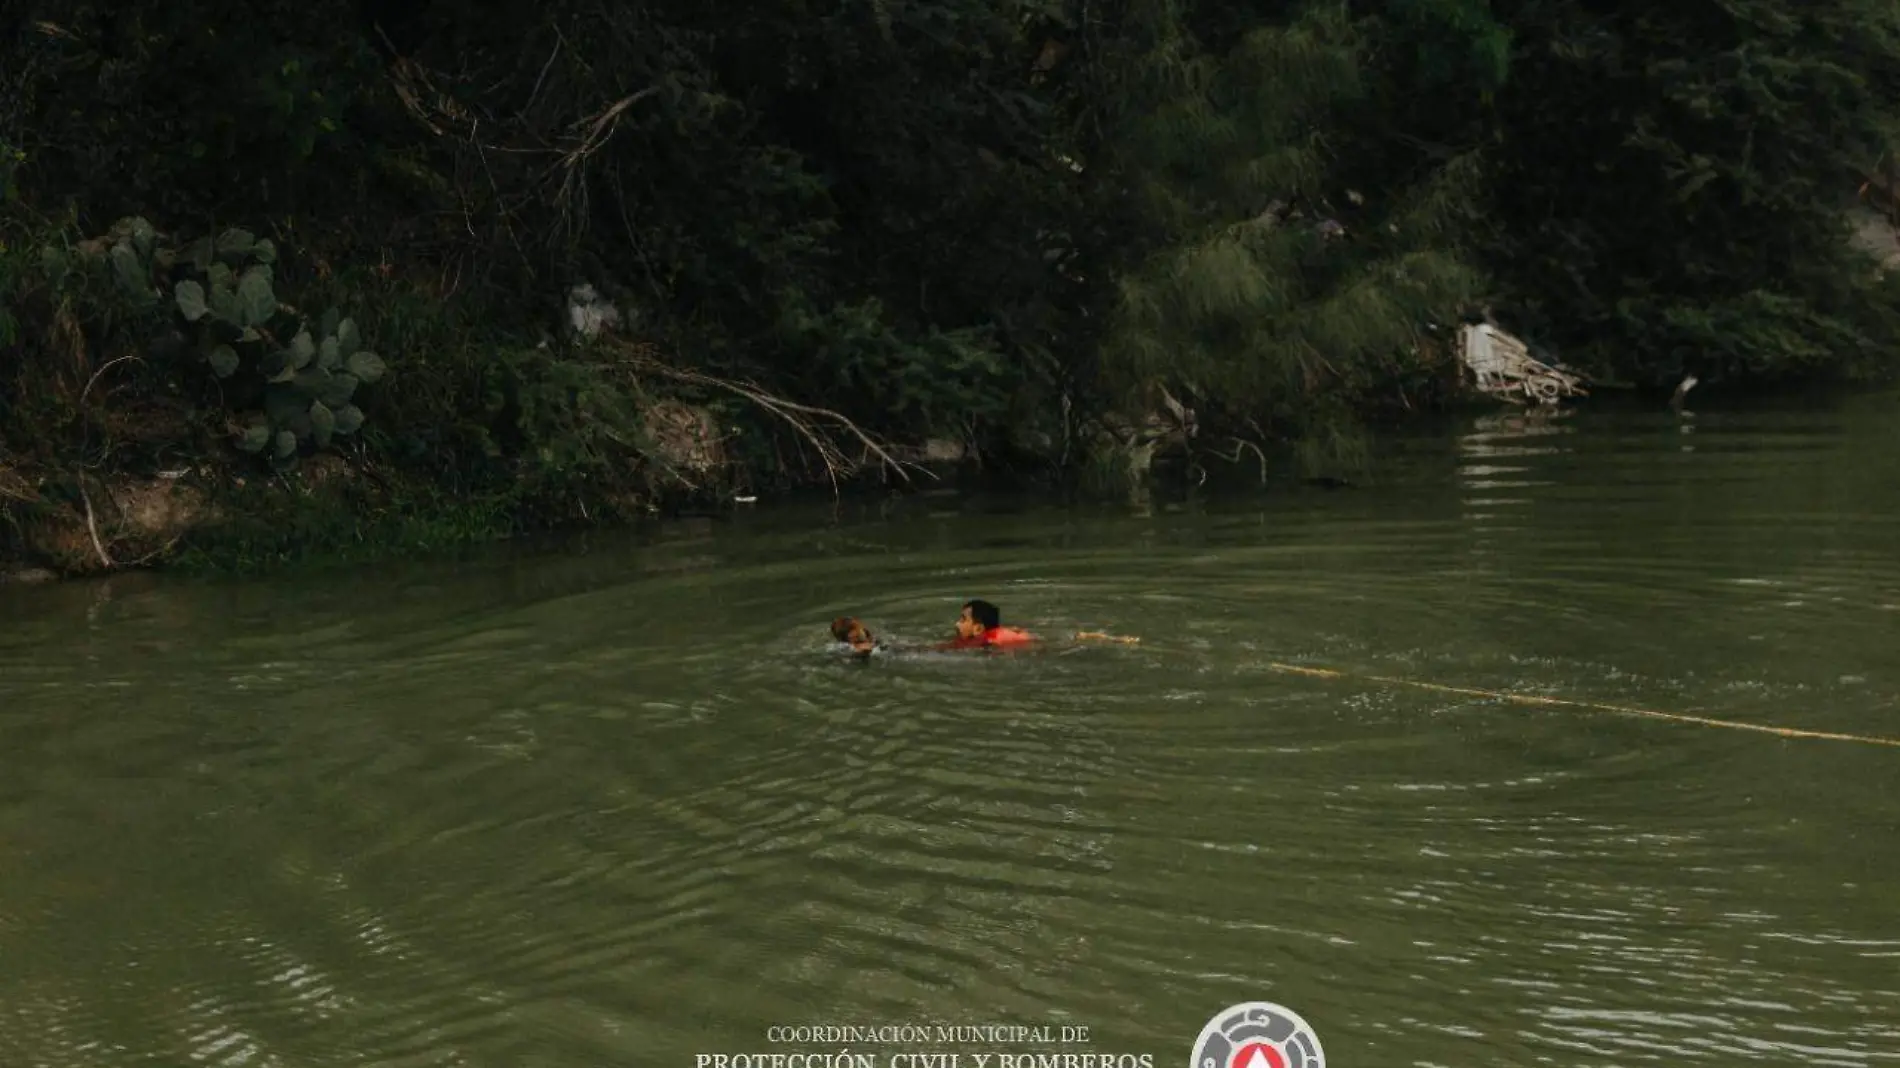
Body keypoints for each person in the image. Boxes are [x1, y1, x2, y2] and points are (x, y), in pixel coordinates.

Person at [947, 599, 1036, 649]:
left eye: (963, 620)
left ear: (978, 629)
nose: (957, 624)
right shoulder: (1009, 632)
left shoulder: (982, 640)